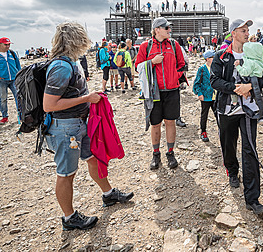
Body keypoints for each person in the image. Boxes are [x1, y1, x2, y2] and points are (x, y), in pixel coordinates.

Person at [43, 22, 133, 231]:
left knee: (93, 158)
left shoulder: (70, 63)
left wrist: (87, 98)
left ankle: (108, 194)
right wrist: (86, 98)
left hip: (79, 125)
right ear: (77, 40)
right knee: (66, 173)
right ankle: (69, 218)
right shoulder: (61, 67)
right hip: (65, 128)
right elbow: (49, 105)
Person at [210, 19, 263, 215]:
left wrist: (250, 87)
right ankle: (232, 171)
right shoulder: (221, 56)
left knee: (250, 149)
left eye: (248, 30)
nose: (247, 32)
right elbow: (214, 81)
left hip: (249, 109)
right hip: (227, 109)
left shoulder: (256, 52)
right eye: (243, 30)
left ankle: (252, 199)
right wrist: (235, 88)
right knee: (228, 144)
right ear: (233, 33)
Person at [136, 17, 186, 170]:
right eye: (166, 28)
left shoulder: (174, 44)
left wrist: (175, 77)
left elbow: (182, 64)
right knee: (155, 124)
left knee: (170, 122)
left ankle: (170, 153)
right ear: (157, 29)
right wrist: (152, 62)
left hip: (172, 91)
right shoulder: (146, 46)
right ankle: (155, 154)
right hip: (153, 92)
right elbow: (137, 67)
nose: (169, 30)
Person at [193, 50, 217, 142]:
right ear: (207, 59)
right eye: (212, 57)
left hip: (216, 96)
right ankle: (203, 131)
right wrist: (199, 93)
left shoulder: (216, 68)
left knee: (218, 114)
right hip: (206, 96)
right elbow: (197, 83)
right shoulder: (202, 69)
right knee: (204, 115)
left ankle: (222, 131)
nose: (214, 59)